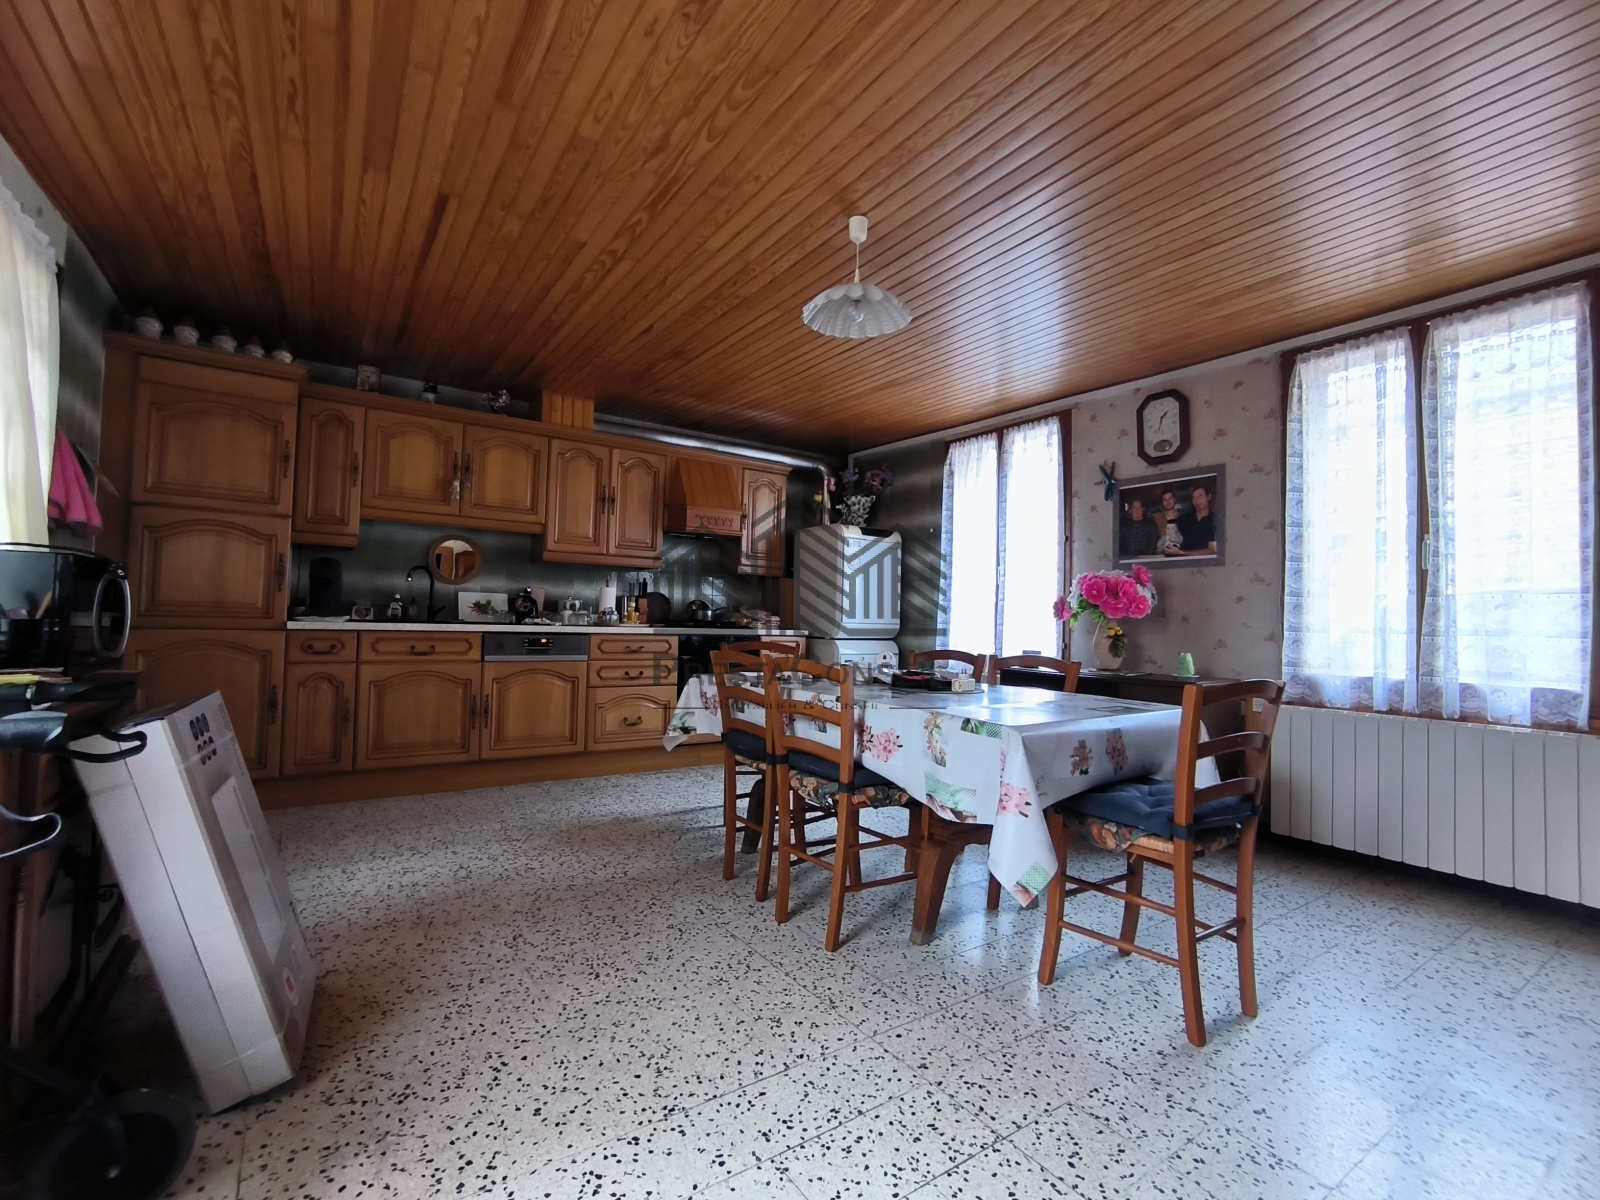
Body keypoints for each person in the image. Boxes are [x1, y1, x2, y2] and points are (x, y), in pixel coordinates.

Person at [1164, 483, 1217, 556]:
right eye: (1194, 497)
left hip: (1205, 562)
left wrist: (1183, 553)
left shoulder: (1215, 520)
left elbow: (1212, 550)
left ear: (1209, 497)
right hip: (1181, 561)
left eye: (1200, 495)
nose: (1197, 500)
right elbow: (1171, 539)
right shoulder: (1183, 519)